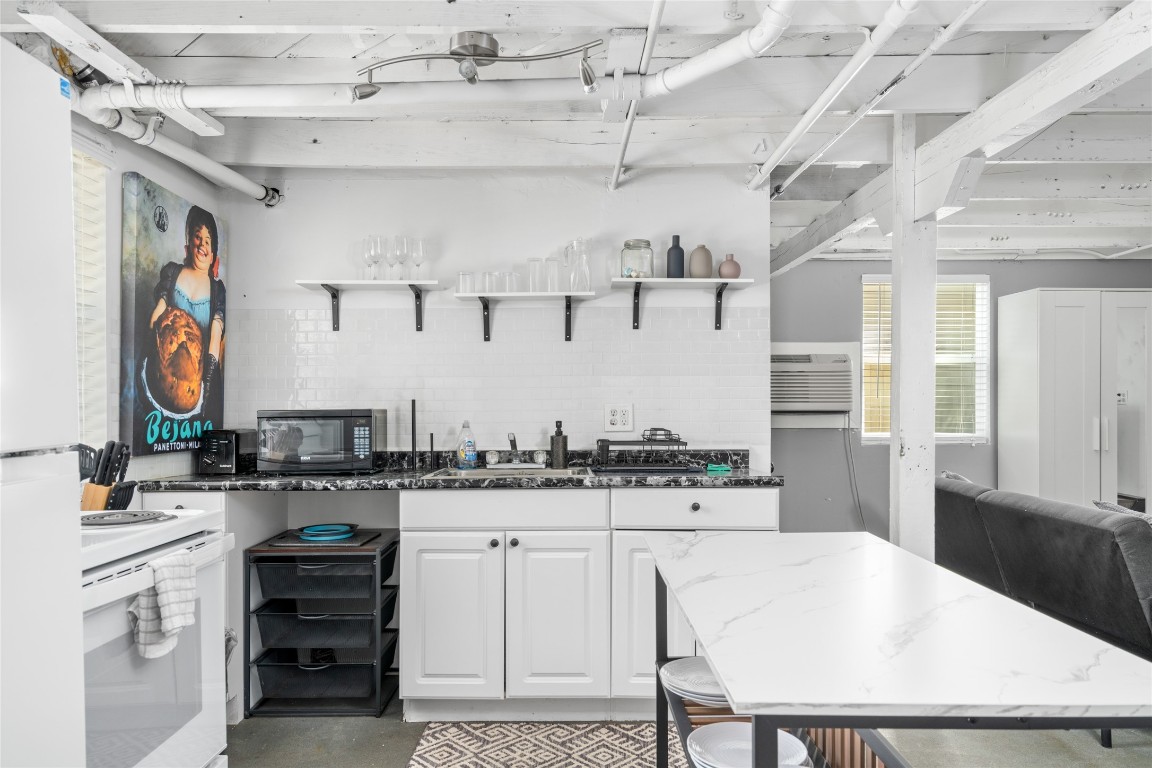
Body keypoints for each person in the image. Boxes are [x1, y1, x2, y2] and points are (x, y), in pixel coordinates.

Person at [149, 205, 226, 414]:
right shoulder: (172, 272)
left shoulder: (217, 290)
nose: (202, 244)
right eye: (197, 237)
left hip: (197, 375)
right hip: (165, 362)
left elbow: (216, 332)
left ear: (213, 255)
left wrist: (207, 380)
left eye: (208, 241)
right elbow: (160, 308)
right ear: (189, 243)